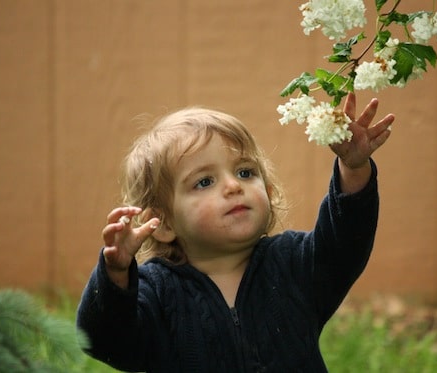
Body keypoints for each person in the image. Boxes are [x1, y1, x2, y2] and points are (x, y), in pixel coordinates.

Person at [76, 93, 395, 372]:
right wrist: (115, 274)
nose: (233, 186)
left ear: (268, 192)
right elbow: (103, 341)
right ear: (164, 224)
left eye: (245, 172)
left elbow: (343, 246)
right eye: (204, 182)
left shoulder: (293, 265)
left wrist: (353, 169)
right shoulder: (156, 293)